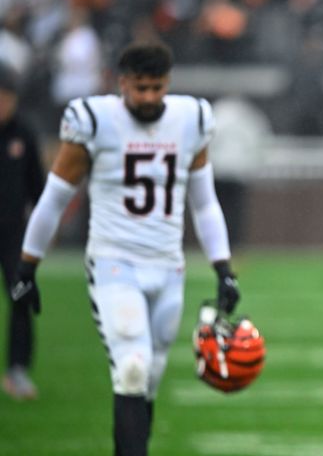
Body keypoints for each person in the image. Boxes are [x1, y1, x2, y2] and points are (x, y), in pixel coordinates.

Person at [9, 43, 240, 456]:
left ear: (167, 84)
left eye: (156, 88)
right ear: (122, 84)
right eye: (140, 88)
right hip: (115, 263)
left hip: (169, 266)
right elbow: (54, 199)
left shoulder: (191, 119)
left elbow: (204, 203)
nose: (149, 97)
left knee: (148, 378)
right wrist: (28, 267)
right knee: (131, 368)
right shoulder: (96, 121)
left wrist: (223, 268)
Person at [0, 62, 44, 400]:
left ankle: (17, 370)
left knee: (20, 296)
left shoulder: (24, 134)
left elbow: (39, 189)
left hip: (14, 233)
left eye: (6, 96)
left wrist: (40, 233)